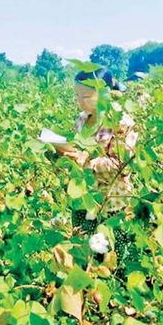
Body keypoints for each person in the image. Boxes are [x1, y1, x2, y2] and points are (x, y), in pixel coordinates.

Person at [60, 68, 138, 217]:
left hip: (113, 202)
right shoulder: (81, 119)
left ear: (105, 95)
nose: (80, 102)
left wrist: (87, 163)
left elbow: (122, 165)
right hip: (83, 197)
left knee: (108, 238)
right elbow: (78, 146)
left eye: (86, 97)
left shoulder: (121, 122)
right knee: (81, 239)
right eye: (77, 95)